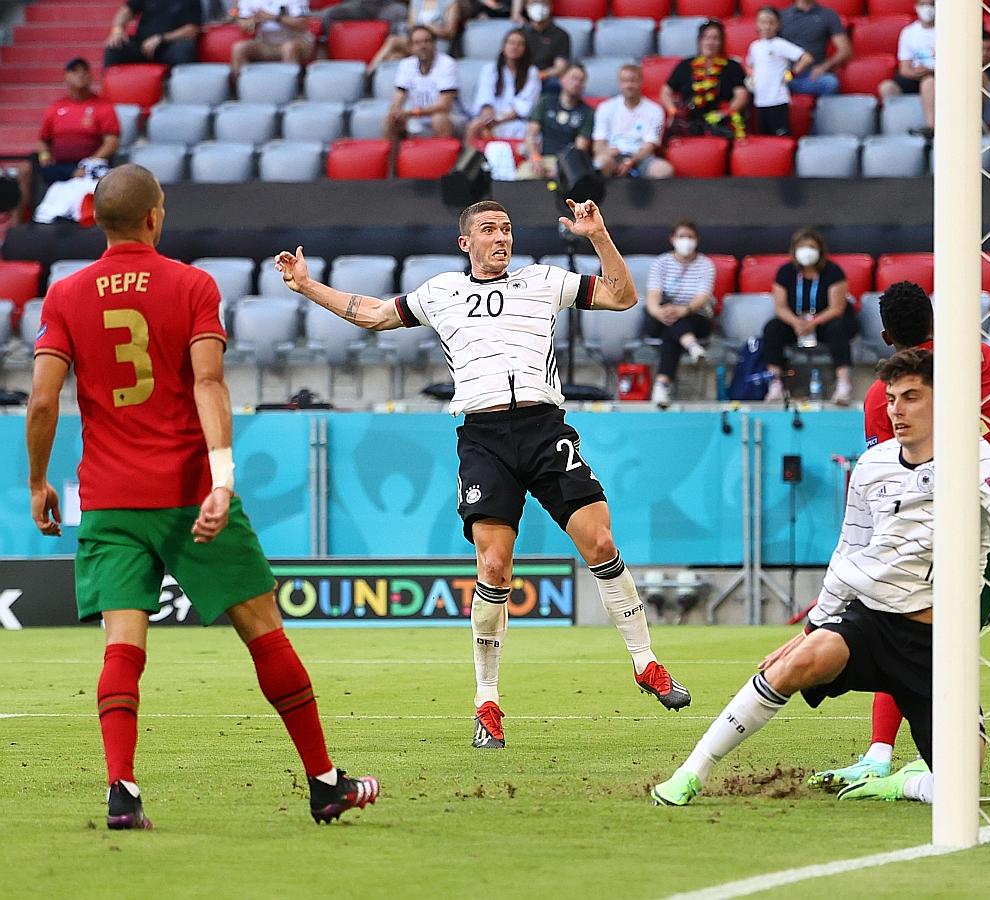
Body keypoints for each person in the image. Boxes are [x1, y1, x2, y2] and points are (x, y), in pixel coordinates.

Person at [25, 164, 379, 830]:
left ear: (97, 220)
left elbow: (42, 400)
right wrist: (222, 478)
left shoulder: (64, 294)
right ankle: (325, 783)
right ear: (155, 216)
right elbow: (208, 383)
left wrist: (37, 480)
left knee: (122, 645)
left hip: (110, 499)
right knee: (263, 631)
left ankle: (122, 791)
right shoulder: (192, 284)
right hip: (189, 492)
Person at [275, 198, 692, 750]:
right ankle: (487, 701)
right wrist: (307, 286)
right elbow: (372, 314)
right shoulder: (441, 292)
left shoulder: (543, 281)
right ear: (465, 242)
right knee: (494, 567)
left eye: (507, 229)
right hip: (484, 438)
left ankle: (645, 662)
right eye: (489, 229)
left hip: (544, 429)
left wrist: (598, 235)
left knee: (601, 541)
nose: (501, 237)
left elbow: (622, 296)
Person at [650, 348, 990, 808]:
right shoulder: (872, 465)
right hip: (871, 622)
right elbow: (849, 551)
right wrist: (812, 628)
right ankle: (690, 773)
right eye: (891, 399)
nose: (897, 410)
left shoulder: (973, 458)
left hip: (937, 645)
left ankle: (901, 784)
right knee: (792, 665)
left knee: (960, 792)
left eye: (911, 397)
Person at [804, 283, 990, 798]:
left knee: (907, 631)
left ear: (887, 336)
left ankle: (879, 756)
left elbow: (897, 474)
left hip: (952, 522)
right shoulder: (985, 357)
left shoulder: (884, 395)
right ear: (935, 319)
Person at [760, 228, 854, 405]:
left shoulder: (833, 271)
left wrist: (814, 322)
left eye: (811, 247)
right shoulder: (785, 272)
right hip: (796, 323)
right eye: (802, 247)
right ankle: (775, 383)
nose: (807, 251)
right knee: (772, 328)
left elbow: (837, 308)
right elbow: (780, 307)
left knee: (838, 327)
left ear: (820, 250)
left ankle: (843, 384)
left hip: (825, 321)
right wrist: (796, 322)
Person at [644, 220, 717, 409]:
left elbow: (703, 296)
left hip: (694, 317)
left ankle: (661, 385)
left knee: (672, 329)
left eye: (690, 237)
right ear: (673, 239)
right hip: (660, 317)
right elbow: (652, 296)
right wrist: (659, 312)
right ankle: (692, 346)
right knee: (670, 320)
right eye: (682, 236)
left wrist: (683, 309)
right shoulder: (661, 263)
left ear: (697, 240)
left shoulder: (705, 265)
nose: (686, 241)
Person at [35, 59, 119, 188]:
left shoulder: (103, 107)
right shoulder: (56, 107)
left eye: (85, 71)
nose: (80, 74)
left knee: (101, 174)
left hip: (92, 164)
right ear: (66, 76)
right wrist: (45, 156)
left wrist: (89, 163)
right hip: (60, 166)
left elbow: (111, 143)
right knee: (27, 169)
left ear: (91, 76)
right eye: (74, 71)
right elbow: (43, 140)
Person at [386, 24, 462, 165]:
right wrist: (396, 110)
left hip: (450, 116)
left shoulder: (447, 64)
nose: (423, 46)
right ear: (411, 47)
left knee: (439, 119)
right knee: (391, 119)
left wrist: (411, 113)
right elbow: (399, 96)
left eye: (427, 41)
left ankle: (441, 169)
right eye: (418, 43)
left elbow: (444, 106)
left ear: (434, 44)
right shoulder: (406, 64)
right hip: (416, 116)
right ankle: (392, 170)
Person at [662, 20, 750, 141]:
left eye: (715, 38)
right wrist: (673, 111)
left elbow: (741, 95)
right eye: (706, 37)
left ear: (721, 42)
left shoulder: (732, 66)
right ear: (700, 40)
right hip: (689, 123)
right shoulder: (685, 65)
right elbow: (665, 92)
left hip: (721, 122)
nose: (710, 42)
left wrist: (724, 113)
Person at [592, 65, 674, 180]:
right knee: (601, 162)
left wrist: (631, 161)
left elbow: (651, 144)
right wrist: (605, 153)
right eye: (625, 81)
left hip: (642, 157)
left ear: (641, 82)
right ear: (619, 83)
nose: (629, 85)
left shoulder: (656, 110)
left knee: (664, 170)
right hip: (613, 155)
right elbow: (598, 142)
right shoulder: (605, 107)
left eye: (633, 81)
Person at [518, 64, 593, 180]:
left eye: (581, 80)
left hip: (568, 163)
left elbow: (580, 147)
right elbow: (531, 134)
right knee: (521, 176)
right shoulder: (546, 102)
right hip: (543, 158)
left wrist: (563, 168)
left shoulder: (587, 112)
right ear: (562, 79)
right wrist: (534, 156)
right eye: (574, 78)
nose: (577, 83)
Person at [747, 8, 813, 137]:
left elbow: (806, 58)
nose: (767, 26)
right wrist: (752, 78)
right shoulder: (754, 46)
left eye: (771, 22)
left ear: (778, 25)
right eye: (763, 22)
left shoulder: (780, 44)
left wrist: (792, 74)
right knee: (764, 139)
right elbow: (750, 65)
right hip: (760, 102)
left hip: (778, 100)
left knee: (781, 138)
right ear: (757, 24)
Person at [468, 29, 541, 143]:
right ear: (503, 47)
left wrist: (499, 120)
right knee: (475, 126)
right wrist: (488, 118)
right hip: (491, 118)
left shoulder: (532, 72)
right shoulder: (490, 69)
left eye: (520, 44)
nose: (515, 47)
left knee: (530, 133)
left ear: (525, 49)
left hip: (516, 121)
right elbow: (485, 96)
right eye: (511, 43)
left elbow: (525, 103)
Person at [879, 0, 937, 139]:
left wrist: (931, 71)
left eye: (931, 4)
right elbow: (904, 68)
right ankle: (893, 131)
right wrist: (916, 72)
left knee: (928, 83)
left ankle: (932, 127)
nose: (927, 8)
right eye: (923, 4)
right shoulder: (909, 32)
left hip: (938, 76)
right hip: (915, 75)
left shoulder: (947, 31)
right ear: (916, 7)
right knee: (886, 87)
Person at [367, 0, 463, 76]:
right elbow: (411, 26)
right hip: (416, 42)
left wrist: (426, 28)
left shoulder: (450, 2)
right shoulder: (416, 2)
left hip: (437, 45)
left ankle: (369, 72)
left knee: (393, 41)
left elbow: (450, 31)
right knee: (393, 57)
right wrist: (428, 27)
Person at [230, 0, 314, 82]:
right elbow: (244, 24)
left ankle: (293, 88)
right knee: (239, 48)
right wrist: (254, 21)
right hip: (266, 44)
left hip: (298, 41)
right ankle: (241, 87)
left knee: (289, 48)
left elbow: (302, 24)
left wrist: (274, 17)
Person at [779, 0, 851, 96]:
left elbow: (845, 51)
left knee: (830, 83)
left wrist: (824, 67)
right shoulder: (782, 16)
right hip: (786, 73)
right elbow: (768, 45)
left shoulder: (828, 15)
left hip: (810, 75)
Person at [104, 0, 203, 68]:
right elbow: (126, 11)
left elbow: (192, 30)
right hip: (143, 45)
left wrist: (161, 38)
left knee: (185, 49)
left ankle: (177, 88)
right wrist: (118, 30)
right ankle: (111, 88)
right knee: (115, 46)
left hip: (170, 46)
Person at [520, 1, 571, 89]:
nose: (538, 6)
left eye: (543, 2)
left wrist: (540, 75)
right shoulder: (519, 33)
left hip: (547, 79)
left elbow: (560, 67)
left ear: (550, 6)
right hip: (521, 77)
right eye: (534, 2)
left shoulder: (561, 35)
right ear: (526, 7)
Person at [319, 0, 407, 31]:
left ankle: (391, 54)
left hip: (386, 5)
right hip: (360, 4)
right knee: (330, 14)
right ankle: (331, 53)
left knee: (400, 13)